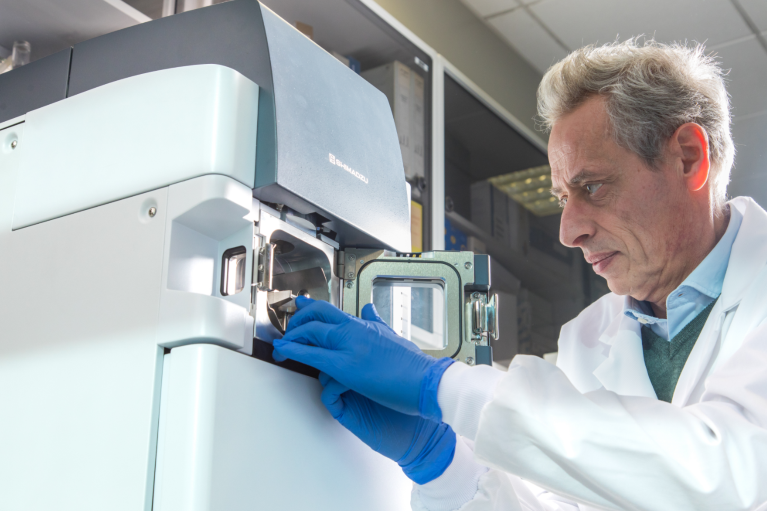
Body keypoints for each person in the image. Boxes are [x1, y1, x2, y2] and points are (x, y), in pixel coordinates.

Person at [273, 38, 767, 510]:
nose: (568, 232)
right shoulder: (589, 338)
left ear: (688, 158)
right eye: (562, 198)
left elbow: (727, 470)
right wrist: (437, 459)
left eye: (592, 187)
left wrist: (444, 387)